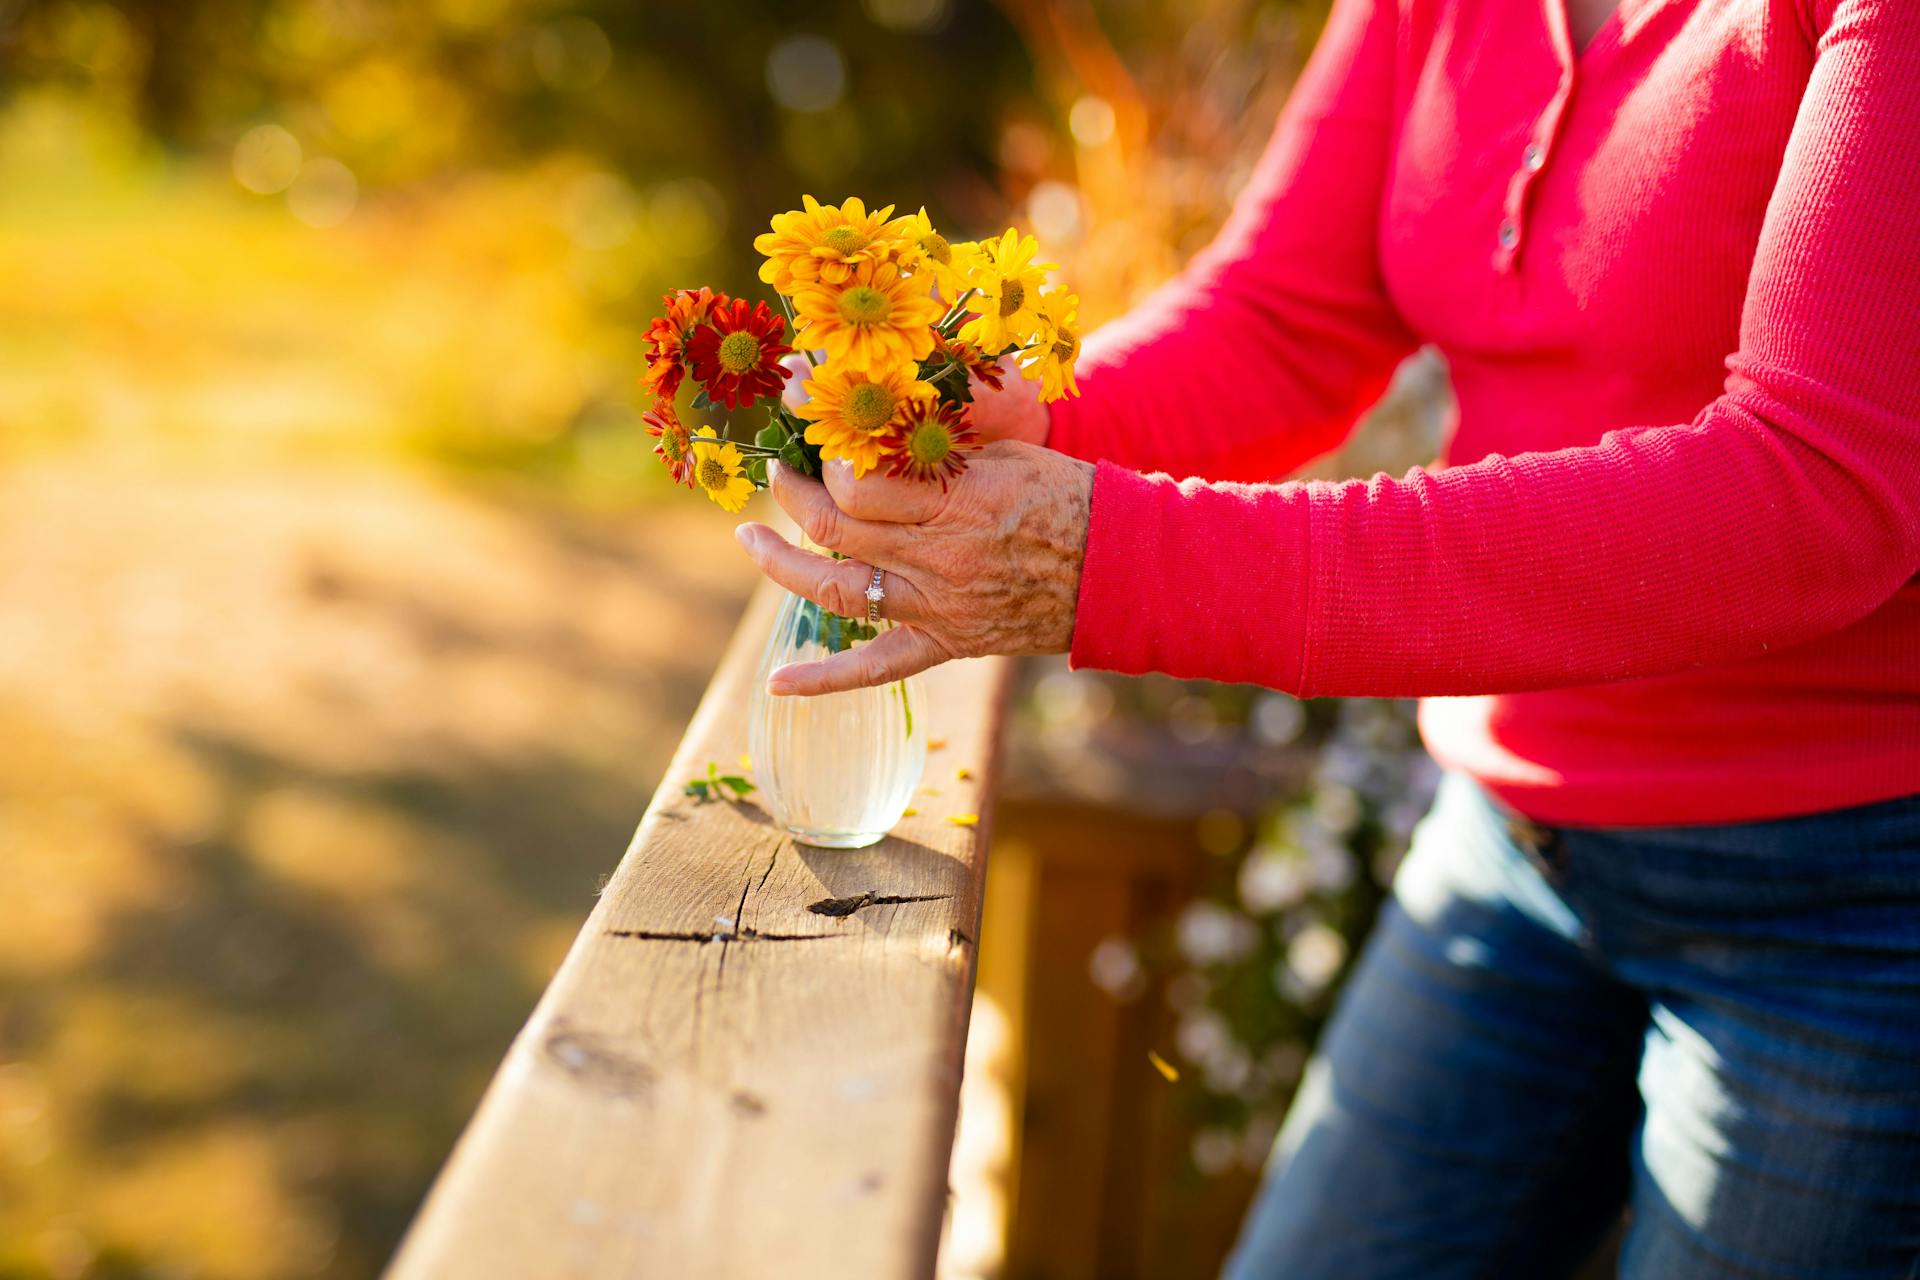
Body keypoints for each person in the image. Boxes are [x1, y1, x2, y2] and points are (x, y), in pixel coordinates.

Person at [734, 0, 1920, 1273]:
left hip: (1846, 896)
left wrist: (1118, 561)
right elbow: (1289, 318)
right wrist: (1014, 423)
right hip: (1515, 844)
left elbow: (1816, 493)